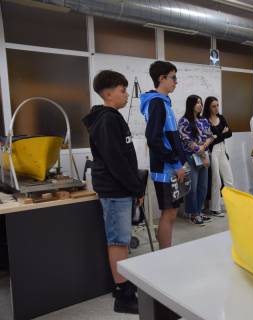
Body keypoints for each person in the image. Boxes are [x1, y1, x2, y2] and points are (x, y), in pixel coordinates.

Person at [83, 70, 143, 314]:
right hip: (116, 189)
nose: (126, 95)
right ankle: (123, 295)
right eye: (122, 90)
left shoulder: (112, 117)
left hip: (120, 188)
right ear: (108, 93)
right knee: (118, 241)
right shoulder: (107, 120)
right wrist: (135, 186)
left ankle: (124, 284)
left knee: (122, 238)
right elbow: (116, 160)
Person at [140, 61, 187, 248]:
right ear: (162, 78)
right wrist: (175, 163)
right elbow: (154, 138)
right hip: (166, 168)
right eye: (173, 77)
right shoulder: (157, 103)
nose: (176, 82)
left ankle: (165, 251)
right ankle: (165, 254)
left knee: (171, 212)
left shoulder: (163, 103)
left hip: (171, 166)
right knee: (169, 213)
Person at [178, 95, 214, 225]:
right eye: (197, 103)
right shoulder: (184, 121)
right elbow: (186, 140)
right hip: (192, 157)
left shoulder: (203, 120)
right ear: (191, 104)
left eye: (201, 103)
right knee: (192, 187)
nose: (200, 105)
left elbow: (210, 136)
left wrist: (204, 147)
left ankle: (199, 211)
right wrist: (201, 152)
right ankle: (193, 213)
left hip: (203, 155)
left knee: (203, 187)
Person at [202, 96, 234, 216]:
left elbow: (230, 133)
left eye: (217, 105)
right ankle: (215, 208)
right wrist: (222, 134)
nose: (216, 108)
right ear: (208, 107)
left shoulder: (221, 117)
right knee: (216, 180)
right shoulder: (205, 120)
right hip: (213, 151)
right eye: (213, 106)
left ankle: (231, 205)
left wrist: (217, 136)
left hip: (222, 149)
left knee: (229, 179)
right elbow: (210, 141)